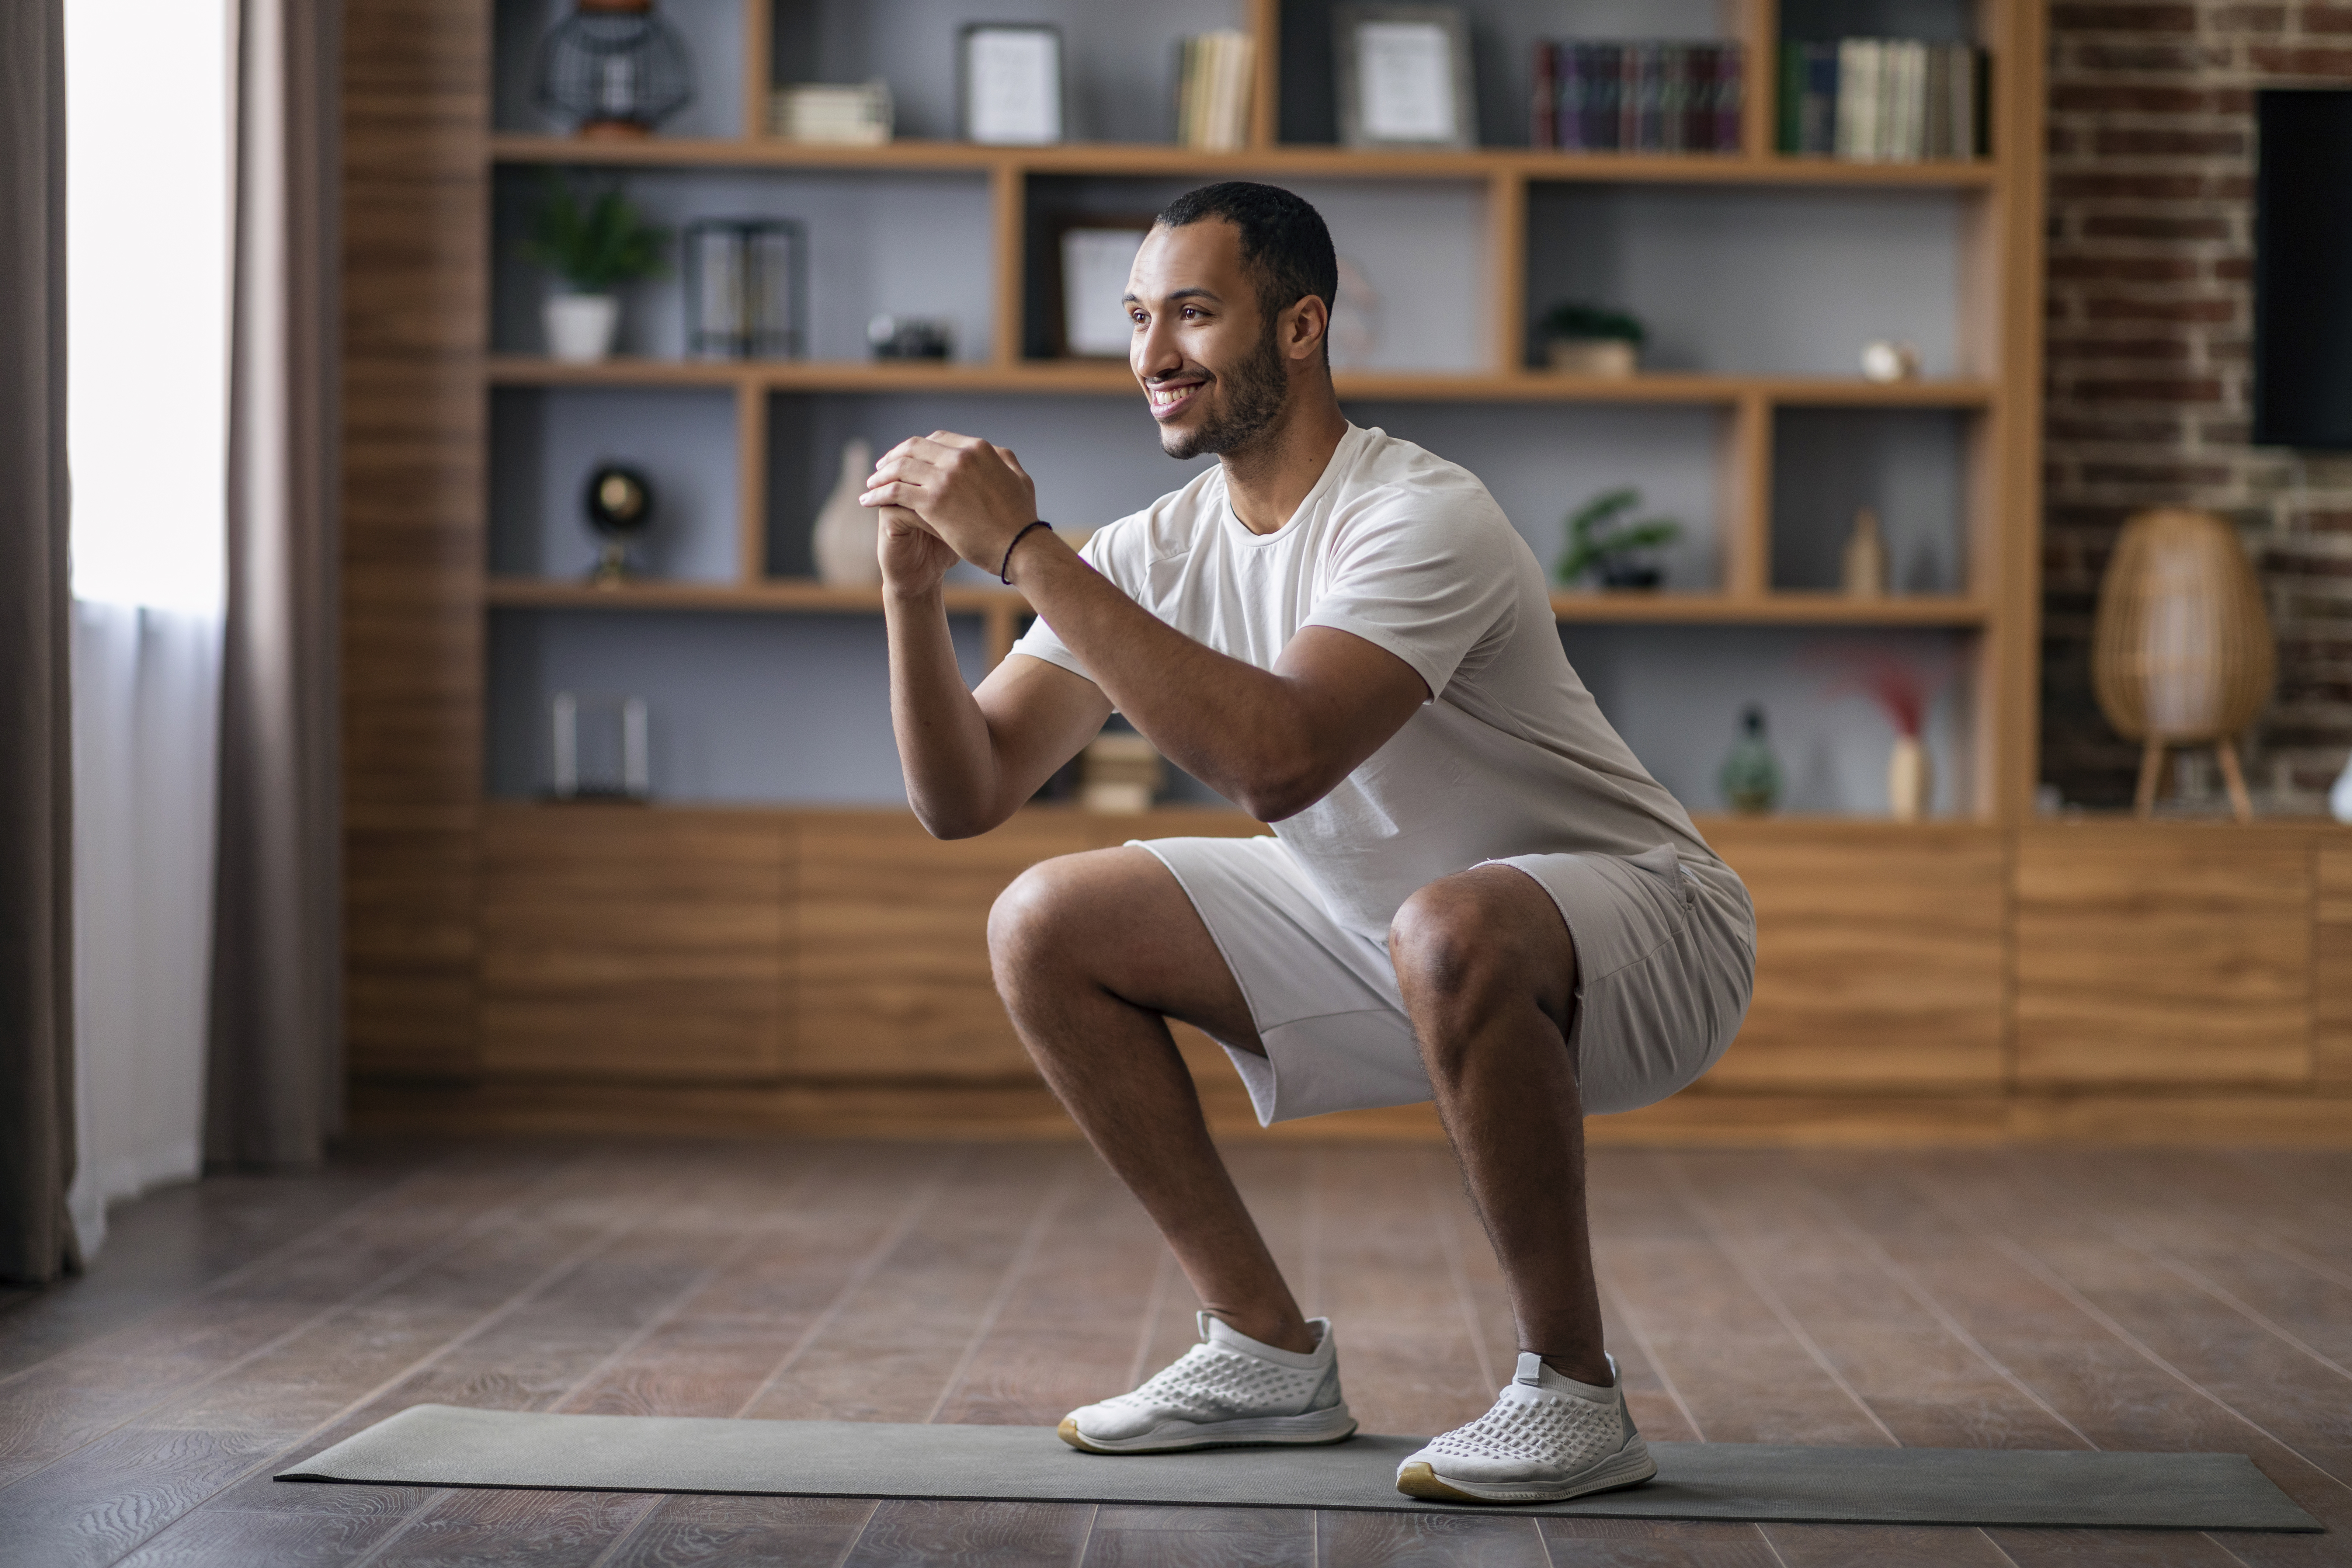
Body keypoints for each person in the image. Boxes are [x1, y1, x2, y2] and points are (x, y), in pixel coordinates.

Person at [858, 181, 1754, 1505]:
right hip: (1384, 930)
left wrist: (1029, 551)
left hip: (1648, 935)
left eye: (1194, 314)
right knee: (1041, 920)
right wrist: (910, 593)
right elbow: (967, 791)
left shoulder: (1418, 513)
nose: (1153, 355)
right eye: (1137, 318)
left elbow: (1277, 756)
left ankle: (1574, 1398)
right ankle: (1261, 1353)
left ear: (1299, 327)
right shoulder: (1153, 549)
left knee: (1450, 923)